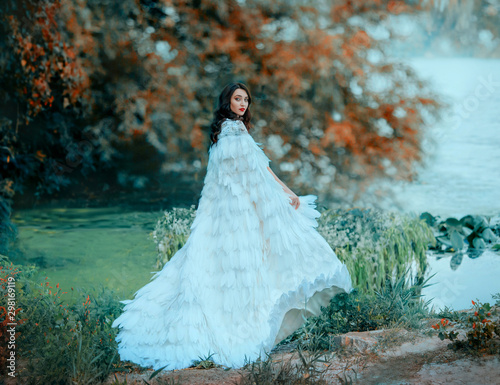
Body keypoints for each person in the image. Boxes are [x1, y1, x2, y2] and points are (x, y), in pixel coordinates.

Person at [112, 82, 352, 371]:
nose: (243, 104)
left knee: (224, 271)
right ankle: (236, 331)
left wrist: (288, 191)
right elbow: (250, 179)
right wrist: (276, 203)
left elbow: (261, 168)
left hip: (226, 214)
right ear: (227, 101)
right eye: (238, 98)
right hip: (236, 214)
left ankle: (241, 326)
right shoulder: (232, 132)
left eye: (247, 100)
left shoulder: (230, 132)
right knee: (241, 271)